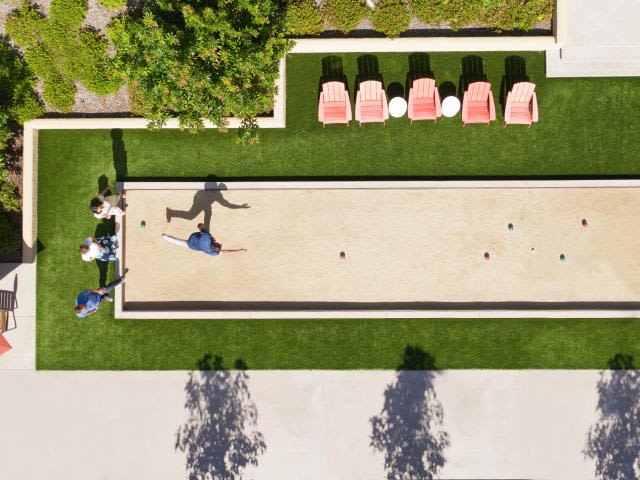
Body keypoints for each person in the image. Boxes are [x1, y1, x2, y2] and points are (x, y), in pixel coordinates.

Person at [162, 223, 246, 256]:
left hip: (193, 237)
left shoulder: (208, 237)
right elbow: (225, 252)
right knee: (178, 242)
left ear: (215, 243)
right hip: (191, 245)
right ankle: (165, 237)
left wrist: (202, 226)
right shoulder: (211, 252)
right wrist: (239, 251)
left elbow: (199, 226)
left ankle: (165, 237)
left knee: (201, 233)